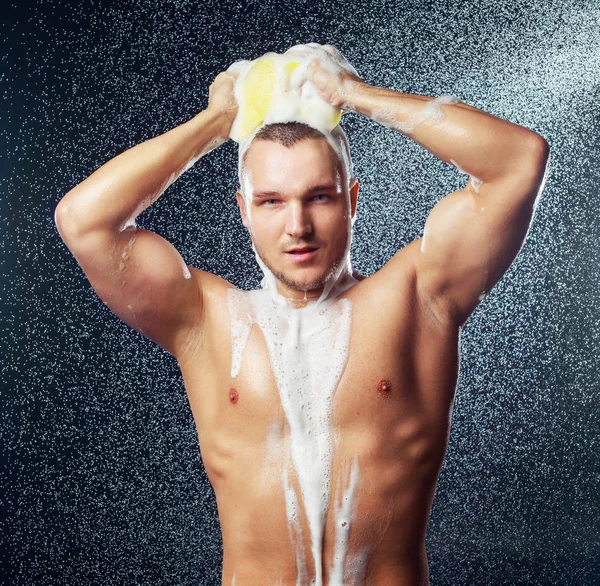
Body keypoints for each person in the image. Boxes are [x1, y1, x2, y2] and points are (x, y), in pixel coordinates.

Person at [54, 43, 550, 586]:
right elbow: (83, 221)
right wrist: (218, 121)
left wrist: (355, 97)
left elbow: (518, 160)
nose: (297, 226)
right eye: (271, 201)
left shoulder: (416, 300)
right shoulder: (206, 321)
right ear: (243, 209)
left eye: (319, 197)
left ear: (352, 200)